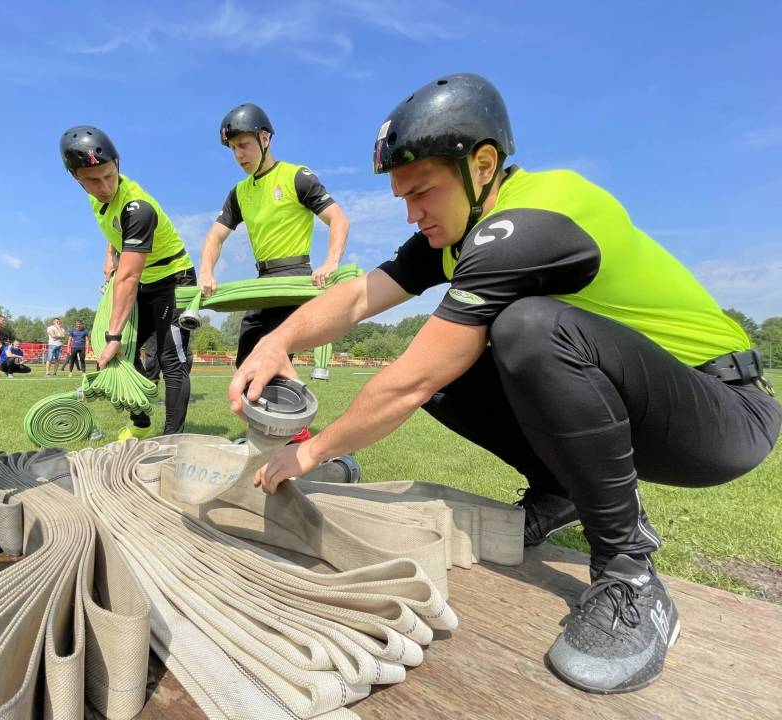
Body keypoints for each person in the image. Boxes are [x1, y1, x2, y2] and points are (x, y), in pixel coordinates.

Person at [229, 74, 781, 695]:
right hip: (648, 404)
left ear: (483, 165)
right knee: (462, 367)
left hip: (726, 414)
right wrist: (278, 341)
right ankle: (559, 491)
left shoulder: (533, 218)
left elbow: (413, 380)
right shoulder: (459, 232)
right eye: (401, 197)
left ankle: (630, 574)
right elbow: (360, 295)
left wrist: (309, 453)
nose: (411, 213)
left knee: (523, 329)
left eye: (422, 192)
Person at [198, 104, 350, 442]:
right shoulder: (239, 192)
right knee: (246, 362)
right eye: (233, 148)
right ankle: (276, 436)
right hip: (262, 283)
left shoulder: (297, 176)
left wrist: (331, 262)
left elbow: (338, 219)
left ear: (264, 138)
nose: (239, 154)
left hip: (294, 279)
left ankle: (296, 438)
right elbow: (215, 236)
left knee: (271, 361)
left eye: (244, 145)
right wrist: (206, 271)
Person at [60, 125, 196, 439]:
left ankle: (172, 439)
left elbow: (129, 275)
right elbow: (115, 230)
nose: (105, 186)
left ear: (118, 164)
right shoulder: (97, 199)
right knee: (127, 354)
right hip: (143, 280)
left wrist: (112, 335)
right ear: (76, 178)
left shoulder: (138, 208)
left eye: (110, 176)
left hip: (173, 280)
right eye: (93, 180)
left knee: (170, 359)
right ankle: (141, 423)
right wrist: (109, 254)